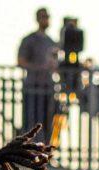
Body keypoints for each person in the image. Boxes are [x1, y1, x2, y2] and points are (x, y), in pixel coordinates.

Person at [17, 8, 58, 143]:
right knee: (31, 121)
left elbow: (56, 65)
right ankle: (29, 150)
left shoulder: (51, 42)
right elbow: (21, 61)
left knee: (47, 121)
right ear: (38, 19)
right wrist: (40, 68)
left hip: (47, 87)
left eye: (47, 17)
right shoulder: (29, 40)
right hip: (33, 86)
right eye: (43, 17)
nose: (45, 20)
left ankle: (44, 150)